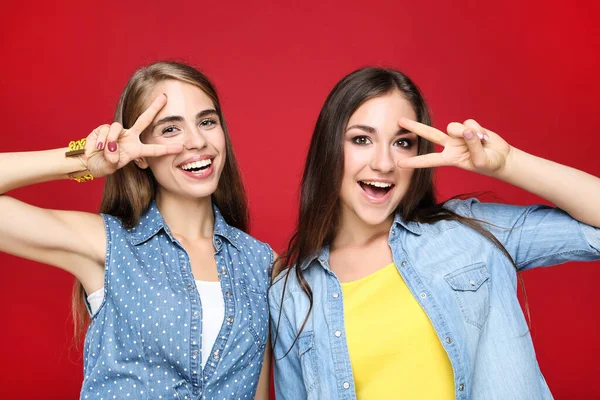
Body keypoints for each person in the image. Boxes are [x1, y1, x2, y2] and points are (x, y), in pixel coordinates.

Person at [269, 67, 600, 399]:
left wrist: (508, 163)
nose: (384, 163)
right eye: (361, 139)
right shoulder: (292, 294)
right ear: (329, 149)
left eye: (402, 143)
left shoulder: (469, 233)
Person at [0, 61, 273, 399]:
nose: (197, 141)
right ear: (140, 155)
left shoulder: (261, 263)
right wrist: (86, 160)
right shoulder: (109, 244)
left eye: (207, 121)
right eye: (170, 129)